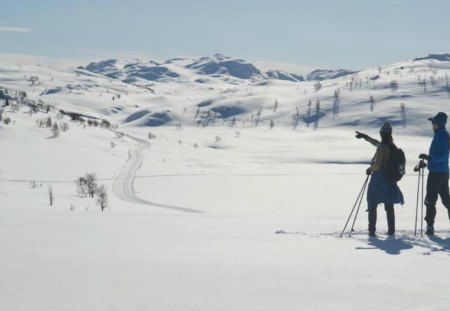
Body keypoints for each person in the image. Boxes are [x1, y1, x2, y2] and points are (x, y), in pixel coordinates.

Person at [355, 122, 404, 236]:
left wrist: (369, 169)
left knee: (372, 202)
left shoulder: (382, 147)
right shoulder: (392, 146)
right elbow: (377, 143)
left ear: (382, 133)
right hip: (389, 179)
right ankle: (391, 230)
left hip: (379, 179)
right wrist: (365, 137)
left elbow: (377, 164)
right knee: (389, 203)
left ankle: (372, 230)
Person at [418, 112, 450, 235]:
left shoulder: (441, 136)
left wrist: (429, 158)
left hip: (436, 174)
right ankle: (430, 225)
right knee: (446, 200)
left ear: (439, 124)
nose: (432, 125)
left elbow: (443, 155)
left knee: (430, 200)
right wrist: (428, 162)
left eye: (434, 123)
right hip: (443, 172)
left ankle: (430, 226)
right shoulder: (443, 135)